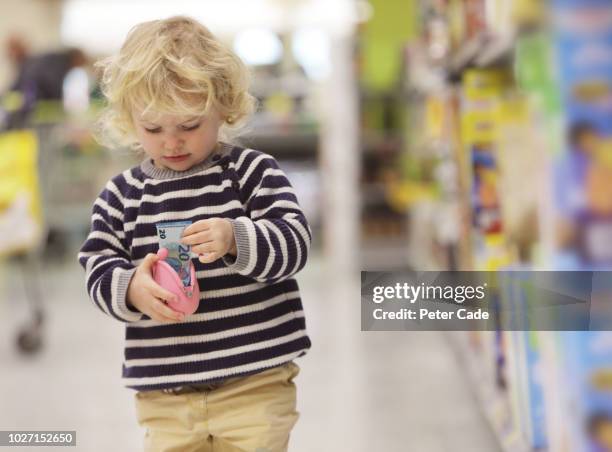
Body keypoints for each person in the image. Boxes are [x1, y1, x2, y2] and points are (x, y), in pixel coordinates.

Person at [78, 16, 312, 451]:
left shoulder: (250, 174)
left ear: (223, 105)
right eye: (153, 129)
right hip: (165, 398)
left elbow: (295, 243)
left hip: (254, 384)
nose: (172, 143)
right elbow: (97, 269)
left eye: (189, 125)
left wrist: (236, 237)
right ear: (129, 119)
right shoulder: (120, 197)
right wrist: (131, 288)